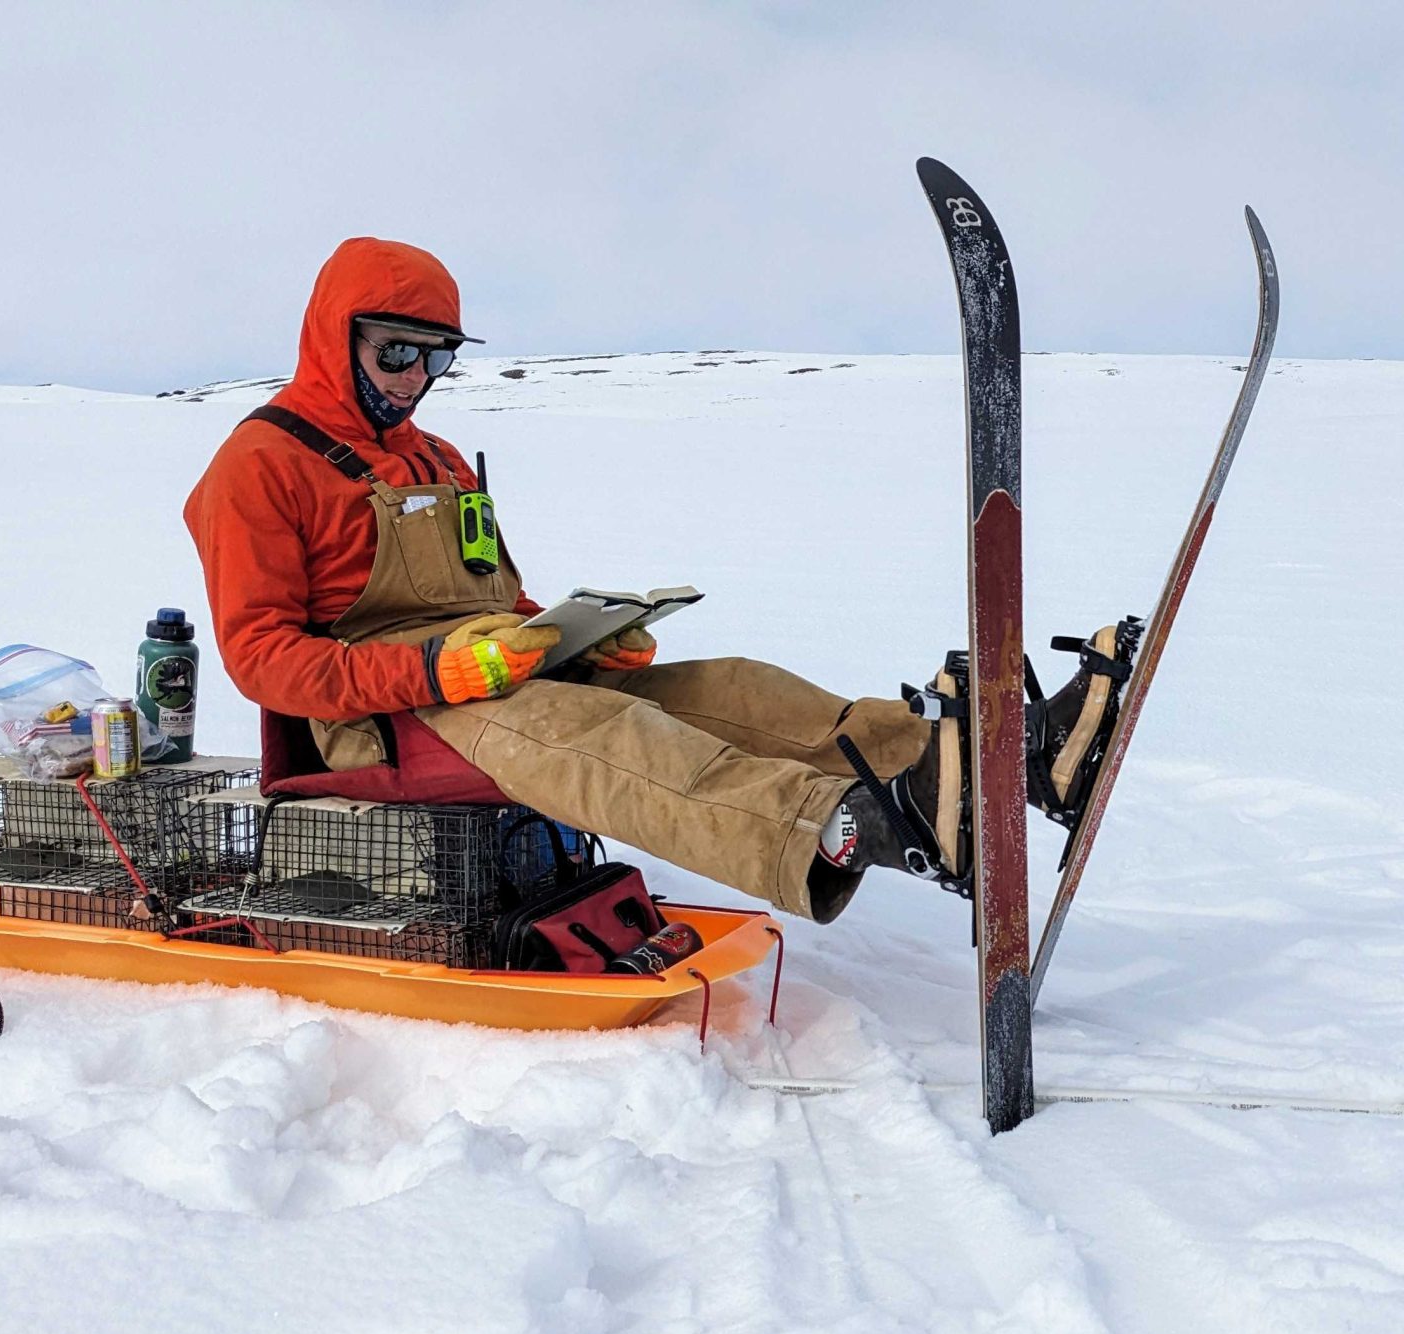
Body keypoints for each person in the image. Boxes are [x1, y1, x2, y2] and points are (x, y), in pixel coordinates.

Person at [183, 237, 1119, 923]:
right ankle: (841, 825)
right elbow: (265, 661)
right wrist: (438, 675)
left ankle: (984, 759)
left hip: (494, 681)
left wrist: (576, 639)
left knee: (727, 688)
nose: (417, 377)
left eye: (437, 356)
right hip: (375, 724)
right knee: (606, 729)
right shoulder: (261, 466)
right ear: (332, 338)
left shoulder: (435, 460)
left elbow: (493, 602)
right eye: (397, 352)